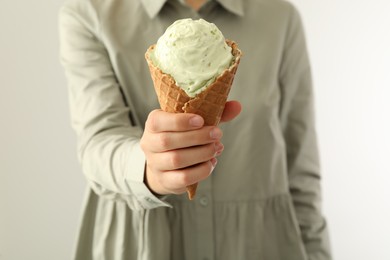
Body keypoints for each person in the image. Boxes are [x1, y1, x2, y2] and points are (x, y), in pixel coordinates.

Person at [59, 0, 332, 259]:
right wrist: (148, 168)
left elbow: (300, 164)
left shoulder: (279, 18)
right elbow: (98, 141)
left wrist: (317, 253)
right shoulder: (90, 12)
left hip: (259, 243)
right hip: (143, 245)